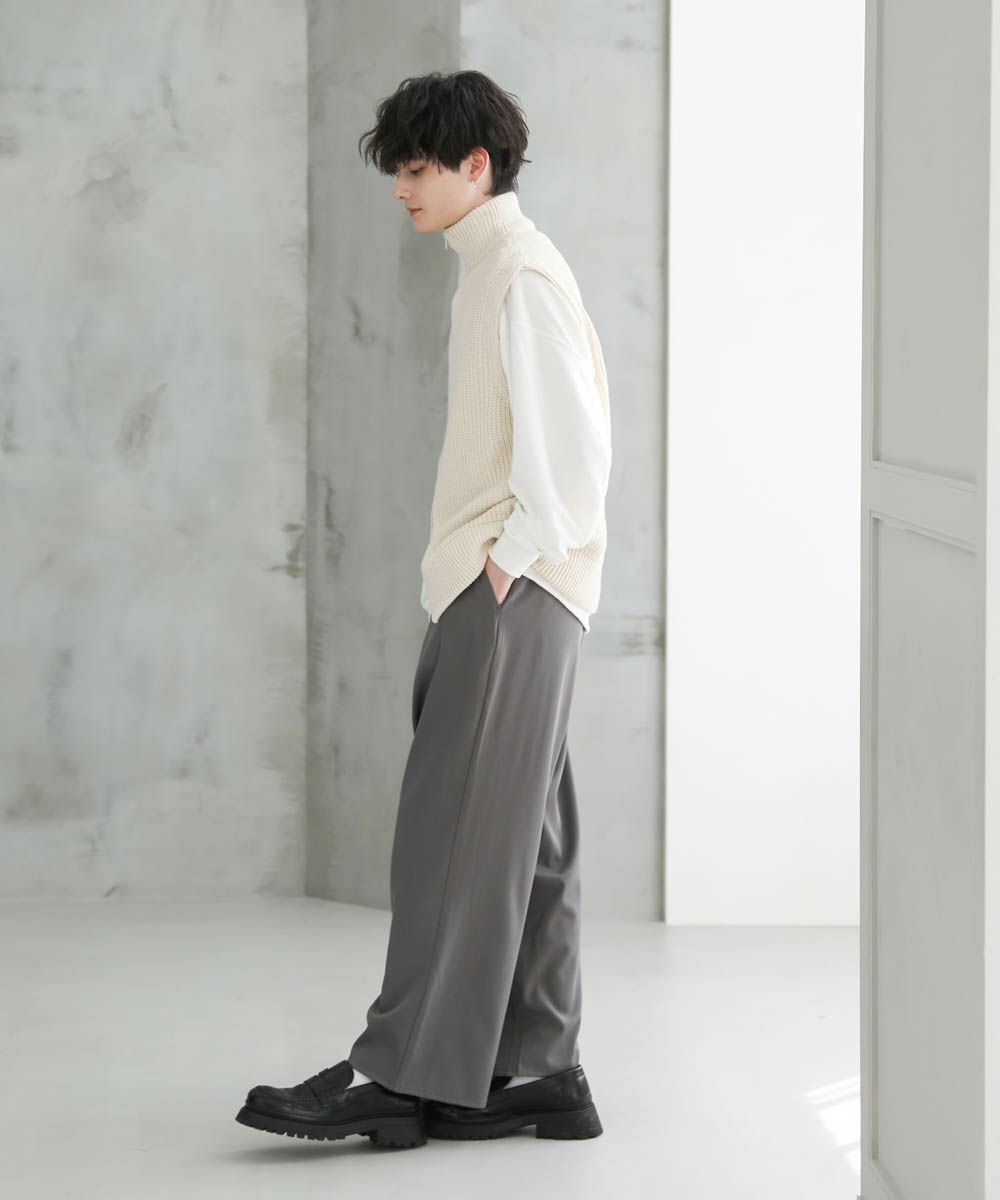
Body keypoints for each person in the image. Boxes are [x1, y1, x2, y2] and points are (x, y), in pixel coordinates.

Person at [236, 69, 612, 1148]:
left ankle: (397, 1073)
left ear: (474, 166)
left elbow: (576, 458)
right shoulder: (493, 269)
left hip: (513, 593)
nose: (400, 189)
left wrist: (505, 565)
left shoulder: (520, 276)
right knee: (525, 843)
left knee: (449, 840)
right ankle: (538, 1071)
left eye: (414, 168)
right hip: (517, 593)